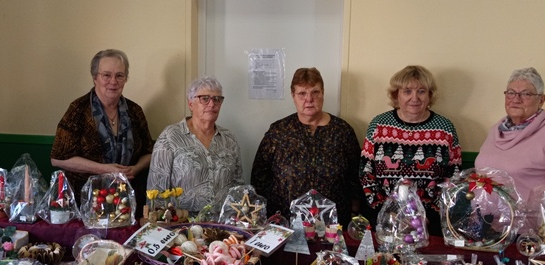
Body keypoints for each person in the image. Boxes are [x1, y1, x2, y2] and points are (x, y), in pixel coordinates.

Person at [359, 65, 461, 235]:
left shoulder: (445, 129)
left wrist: (427, 216)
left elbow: (453, 177)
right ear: (396, 95)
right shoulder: (379, 125)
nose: (415, 98)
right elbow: (366, 173)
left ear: (430, 95)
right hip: (384, 219)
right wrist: (388, 213)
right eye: (407, 91)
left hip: (430, 224)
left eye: (421, 91)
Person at [50, 49, 153, 212]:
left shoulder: (135, 111)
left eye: (119, 75)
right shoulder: (78, 109)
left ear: (125, 79)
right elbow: (57, 159)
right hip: (85, 203)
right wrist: (105, 169)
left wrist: (134, 169)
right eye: (106, 75)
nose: (113, 81)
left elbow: (149, 152)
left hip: (128, 202)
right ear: (95, 78)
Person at [251, 67, 360, 221]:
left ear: (323, 93)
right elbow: (259, 177)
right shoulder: (278, 131)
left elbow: (356, 176)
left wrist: (355, 213)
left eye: (315, 92)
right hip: (285, 223)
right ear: (293, 96)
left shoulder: (342, 131)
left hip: (332, 224)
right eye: (302, 93)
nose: (309, 99)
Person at [474, 67, 545, 205]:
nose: (516, 99)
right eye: (511, 93)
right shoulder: (495, 131)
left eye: (525, 94)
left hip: (530, 219)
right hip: (481, 217)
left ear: (541, 100)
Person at [147, 76, 243, 213]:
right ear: (191, 104)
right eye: (204, 98)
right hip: (181, 222)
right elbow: (156, 190)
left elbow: (238, 187)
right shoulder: (170, 137)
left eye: (217, 99)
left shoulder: (229, 139)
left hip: (223, 223)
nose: (212, 104)